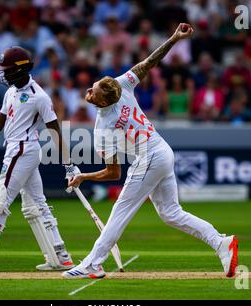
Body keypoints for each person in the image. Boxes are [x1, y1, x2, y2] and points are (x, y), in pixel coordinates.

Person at [62, 23, 238, 279]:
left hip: (150, 158)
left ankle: (93, 263)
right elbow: (149, 62)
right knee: (171, 213)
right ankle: (221, 243)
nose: (90, 89)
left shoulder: (102, 127)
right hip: (162, 151)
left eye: (94, 90)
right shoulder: (121, 85)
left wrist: (83, 177)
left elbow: (113, 173)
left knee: (120, 211)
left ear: (101, 101)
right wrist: (174, 38)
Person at [0, 46, 80, 272]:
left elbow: (55, 131)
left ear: (22, 70)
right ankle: (60, 257)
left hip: (23, 150)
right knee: (35, 205)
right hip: (17, 149)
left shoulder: (38, 96)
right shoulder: (10, 92)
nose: (4, 74)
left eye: (9, 70)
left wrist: (69, 165)